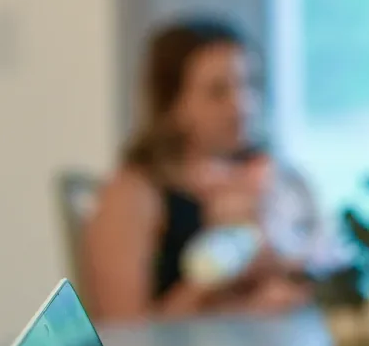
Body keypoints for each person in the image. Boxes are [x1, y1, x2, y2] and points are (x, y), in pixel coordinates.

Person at [84, 18, 319, 321]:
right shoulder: (134, 194)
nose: (241, 105)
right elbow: (123, 333)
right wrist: (218, 271)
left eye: (249, 84)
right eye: (218, 92)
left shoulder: (271, 180)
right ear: (171, 105)